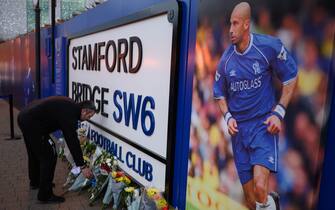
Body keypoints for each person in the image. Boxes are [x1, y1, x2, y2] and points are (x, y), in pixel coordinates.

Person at [213, 2, 297, 210]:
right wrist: (228, 117)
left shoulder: (268, 47)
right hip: (239, 133)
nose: (230, 29)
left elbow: (291, 77)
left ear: (246, 25)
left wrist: (279, 112)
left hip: (263, 126)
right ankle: (272, 204)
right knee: (251, 202)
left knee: (261, 187)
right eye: (229, 24)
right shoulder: (225, 62)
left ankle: (269, 201)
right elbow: (219, 94)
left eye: (235, 24)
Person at [17, 96, 96, 203]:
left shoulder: (71, 106)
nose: (88, 119)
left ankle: (35, 182)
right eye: (89, 116)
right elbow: (72, 141)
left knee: (35, 152)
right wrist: (82, 166)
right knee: (49, 155)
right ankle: (45, 195)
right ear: (84, 111)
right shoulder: (70, 114)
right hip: (31, 123)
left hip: (25, 117)